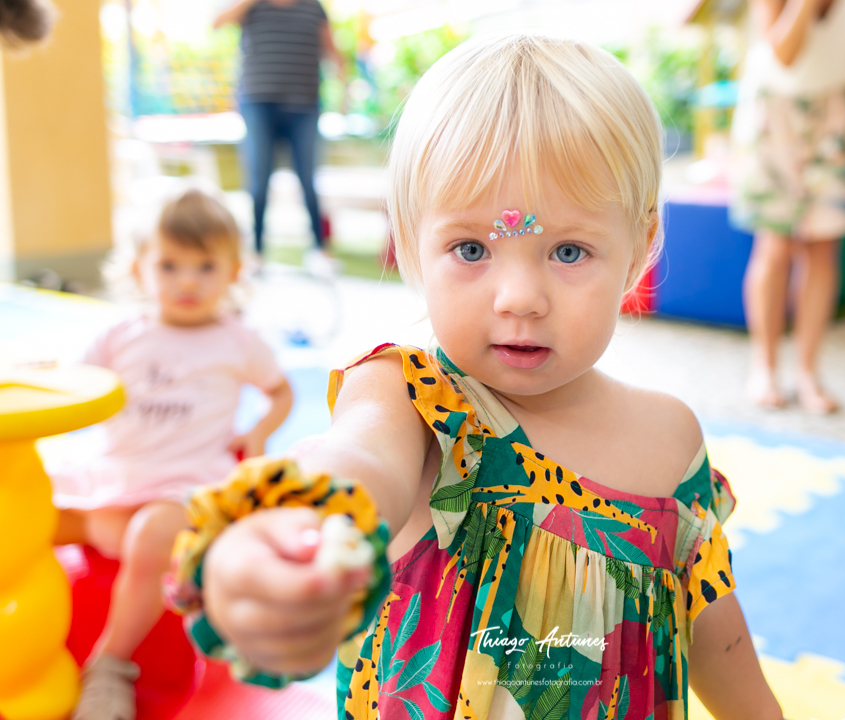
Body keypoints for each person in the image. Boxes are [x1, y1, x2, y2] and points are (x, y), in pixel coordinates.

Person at [166, 35, 784, 720]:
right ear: (407, 244)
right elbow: (359, 461)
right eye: (471, 248)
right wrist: (301, 526)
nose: (518, 297)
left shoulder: (671, 441)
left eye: (569, 250)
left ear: (640, 247)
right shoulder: (412, 399)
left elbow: (713, 633)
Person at [50, 189, 294, 720]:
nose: (188, 281)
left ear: (233, 272)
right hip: (117, 476)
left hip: (187, 485)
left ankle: (108, 666)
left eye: (205, 266)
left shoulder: (237, 341)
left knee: (148, 535)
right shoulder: (120, 335)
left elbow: (281, 391)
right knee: (24, 512)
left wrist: (257, 434)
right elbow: (75, 385)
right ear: (139, 269)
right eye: (170, 265)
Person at [731, 0, 845, 413]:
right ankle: (765, 367)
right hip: (774, 107)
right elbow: (784, 55)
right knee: (775, 244)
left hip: (840, 109)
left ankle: (808, 372)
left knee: (823, 247)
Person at [213, 0, 342, 270]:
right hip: (259, 103)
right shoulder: (252, 6)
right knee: (259, 179)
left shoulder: (313, 7)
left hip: (304, 104)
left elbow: (331, 51)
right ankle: (257, 252)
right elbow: (216, 22)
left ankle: (319, 249)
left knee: (308, 178)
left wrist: (345, 84)